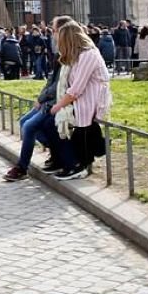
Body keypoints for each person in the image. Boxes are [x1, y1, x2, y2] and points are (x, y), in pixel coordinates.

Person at [2, 16, 75, 181]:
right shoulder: (60, 52)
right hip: (49, 100)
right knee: (24, 122)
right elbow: (51, 80)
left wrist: (42, 99)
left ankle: (22, 167)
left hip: (57, 102)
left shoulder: (69, 55)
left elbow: (59, 86)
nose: (53, 34)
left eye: (55, 30)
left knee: (28, 126)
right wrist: (41, 98)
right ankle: (56, 153)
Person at [50, 21, 112, 180]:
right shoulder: (79, 55)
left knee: (82, 129)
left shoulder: (88, 54)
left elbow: (77, 87)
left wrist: (59, 105)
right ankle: (72, 162)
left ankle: (80, 165)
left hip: (91, 97)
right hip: (82, 98)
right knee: (74, 129)